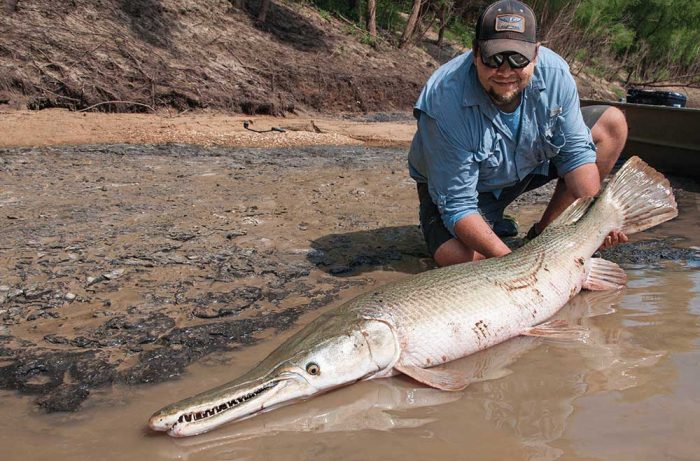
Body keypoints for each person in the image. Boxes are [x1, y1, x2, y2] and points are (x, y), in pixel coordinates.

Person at [408, 0, 628, 267]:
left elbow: (577, 160)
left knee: (612, 123)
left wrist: (593, 224)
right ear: (476, 52)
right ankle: (496, 228)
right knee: (456, 258)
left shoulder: (556, 74)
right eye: (493, 58)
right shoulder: (443, 99)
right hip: (466, 187)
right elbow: (458, 206)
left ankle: (544, 235)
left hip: (526, 166)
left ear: (536, 54)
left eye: (517, 59)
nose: (505, 71)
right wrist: (517, 264)